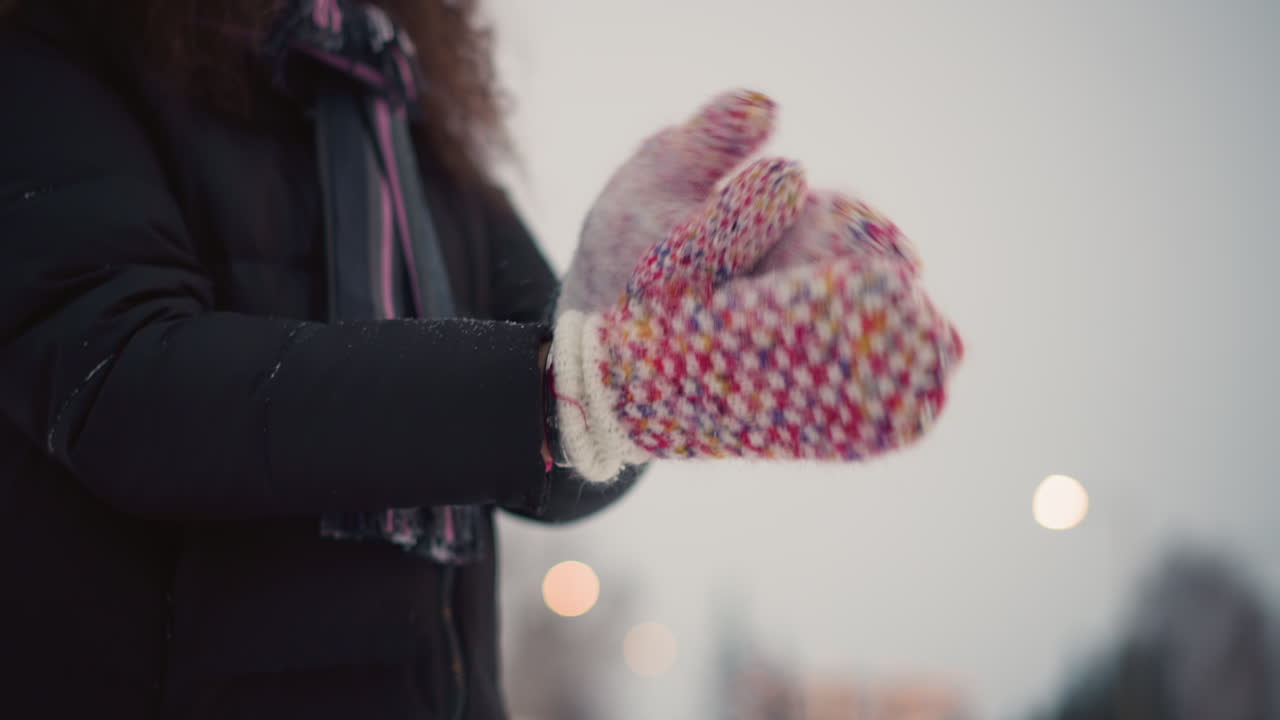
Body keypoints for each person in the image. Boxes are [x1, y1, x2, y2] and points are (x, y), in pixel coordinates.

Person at [0, 0, 961, 717]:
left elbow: (552, 459)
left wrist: (611, 318)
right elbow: (122, 385)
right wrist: (573, 388)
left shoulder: (412, 122)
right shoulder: (53, 52)